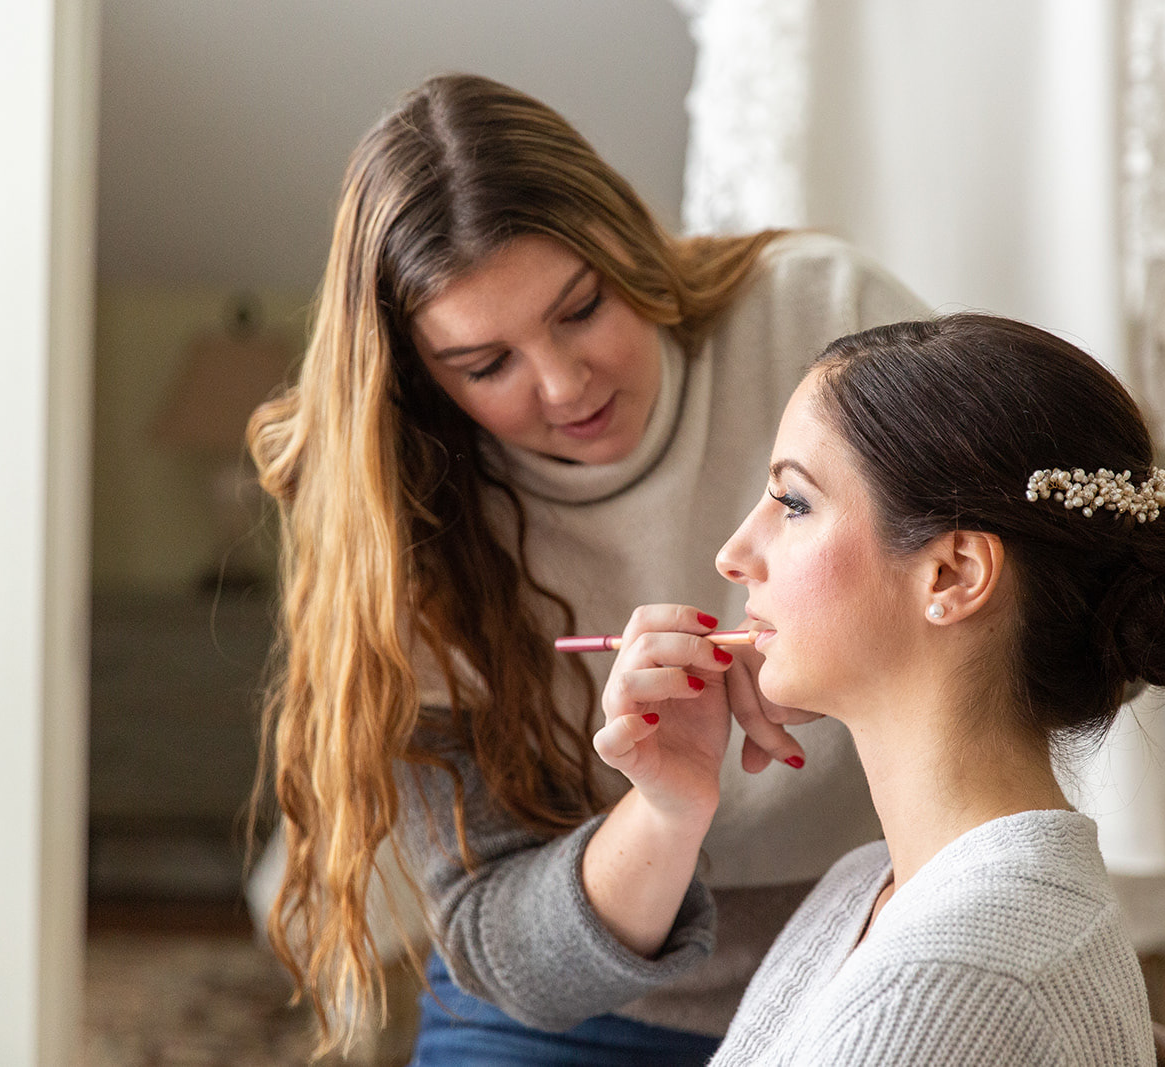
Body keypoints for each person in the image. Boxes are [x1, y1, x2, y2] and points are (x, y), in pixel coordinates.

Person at [245, 72, 929, 1062]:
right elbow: (506, 950)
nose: (565, 385)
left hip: (872, 965)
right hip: (566, 1009)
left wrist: (855, 660)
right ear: (418, 375)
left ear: (628, 245)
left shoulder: (822, 311)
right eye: (487, 365)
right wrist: (665, 807)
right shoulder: (400, 523)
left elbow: (1024, 569)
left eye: (582, 307)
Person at [594, 313, 1165, 1064]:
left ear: (953, 573)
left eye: (793, 503)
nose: (735, 553)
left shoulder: (952, 983)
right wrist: (673, 803)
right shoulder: (868, 886)